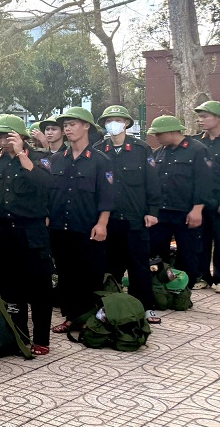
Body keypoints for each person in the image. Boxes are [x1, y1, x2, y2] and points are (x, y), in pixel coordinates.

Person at [0, 115, 54, 355]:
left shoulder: (40, 158)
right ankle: (19, 334)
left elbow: (45, 184)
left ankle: (41, 338)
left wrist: (22, 154)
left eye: (7, 136)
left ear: (20, 136)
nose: (2, 141)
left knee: (40, 287)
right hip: (4, 230)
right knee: (11, 287)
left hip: (32, 231)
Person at [41, 107, 114, 335]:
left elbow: (107, 195)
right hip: (60, 228)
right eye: (66, 125)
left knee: (89, 275)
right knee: (66, 274)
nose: (68, 129)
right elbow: (47, 193)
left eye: (72, 124)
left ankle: (88, 319)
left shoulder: (100, 161)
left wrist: (102, 223)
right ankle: (71, 317)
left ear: (86, 127)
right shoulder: (56, 160)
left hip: (87, 228)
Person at [93, 106, 162, 323]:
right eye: (108, 120)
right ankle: (109, 307)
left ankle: (145, 306)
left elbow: (152, 182)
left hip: (135, 218)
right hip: (108, 220)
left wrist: (152, 211)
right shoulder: (98, 149)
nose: (113, 124)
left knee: (139, 265)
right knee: (109, 266)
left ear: (126, 123)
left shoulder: (141, 149)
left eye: (117, 120)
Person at [148, 115, 212, 289]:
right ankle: (161, 287)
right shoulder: (160, 152)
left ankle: (185, 290)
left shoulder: (198, 150)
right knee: (157, 252)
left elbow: (204, 182)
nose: (156, 137)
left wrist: (197, 209)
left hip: (186, 211)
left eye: (159, 134)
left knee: (188, 252)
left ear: (171, 131)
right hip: (162, 211)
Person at [193, 100, 220, 291]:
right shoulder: (196, 143)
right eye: (199, 117)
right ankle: (202, 276)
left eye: (205, 116)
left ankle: (219, 278)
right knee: (200, 240)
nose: (200, 120)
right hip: (200, 200)